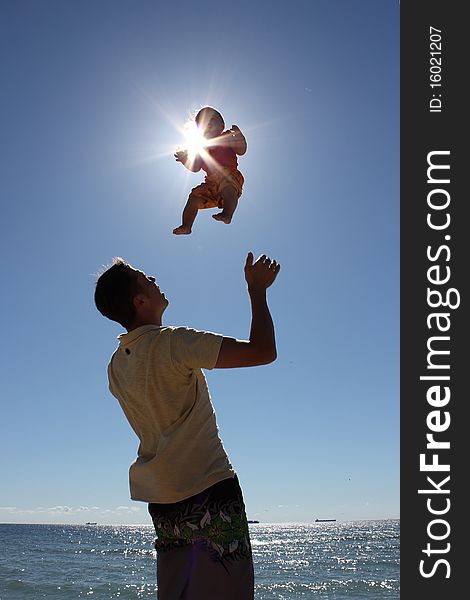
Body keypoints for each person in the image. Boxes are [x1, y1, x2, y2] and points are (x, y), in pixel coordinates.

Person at [94, 251, 280, 599]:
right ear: (140, 300)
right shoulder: (173, 343)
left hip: (164, 502)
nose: (153, 278)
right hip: (209, 489)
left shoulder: (116, 367)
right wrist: (257, 291)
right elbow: (262, 351)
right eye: (145, 278)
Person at [173, 106, 247, 234]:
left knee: (227, 186)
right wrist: (186, 160)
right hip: (211, 183)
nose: (208, 125)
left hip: (228, 174)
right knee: (194, 197)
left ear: (222, 125)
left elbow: (241, 151)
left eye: (212, 119)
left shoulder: (225, 137)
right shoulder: (200, 149)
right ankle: (186, 225)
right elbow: (195, 167)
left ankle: (227, 214)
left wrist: (240, 139)